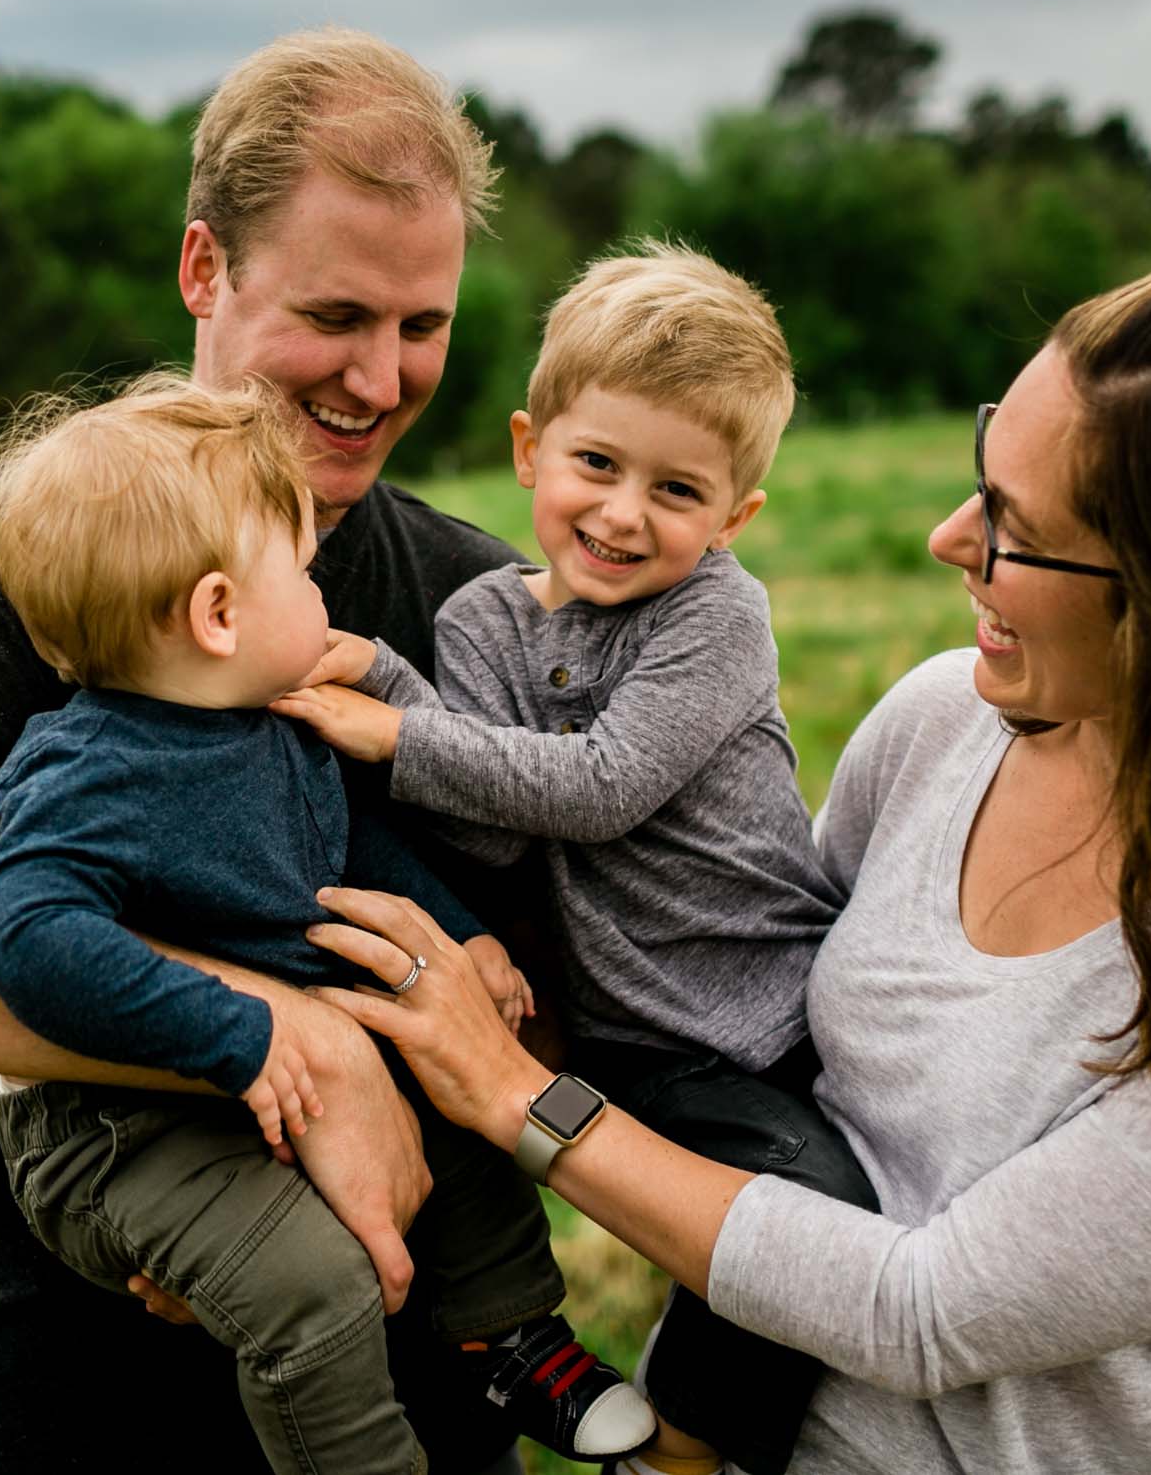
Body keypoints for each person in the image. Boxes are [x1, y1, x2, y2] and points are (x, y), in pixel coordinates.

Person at [288, 270, 1151, 1473]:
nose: (950, 539)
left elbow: (924, 1312)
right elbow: (740, 966)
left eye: (1019, 530)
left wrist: (519, 1096)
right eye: (977, 481)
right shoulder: (949, 719)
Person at [0, 26, 549, 1472]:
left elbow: (557, 984)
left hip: (411, 1381)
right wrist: (294, 1049)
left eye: (423, 325)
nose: (380, 379)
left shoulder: (480, 597)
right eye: (335, 313)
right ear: (205, 269)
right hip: (80, 1391)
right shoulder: (21, 536)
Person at [0, 375, 652, 1472]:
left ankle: (510, 1331)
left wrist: (457, 937)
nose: (320, 587)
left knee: (457, 1089)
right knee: (309, 1280)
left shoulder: (273, 725)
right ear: (217, 613)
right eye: (299, 567)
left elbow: (345, 856)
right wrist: (247, 1032)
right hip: (120, 1126)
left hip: (249, 1090)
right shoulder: (86, 768)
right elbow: (28, 935)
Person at [275, 243, 874, 1475]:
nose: (620, 512)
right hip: (609, 1029)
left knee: (805, 1221)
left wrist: (394, 718)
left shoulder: (715, 614)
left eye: (676, 489)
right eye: (595, 463)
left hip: (752, 1023)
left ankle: (689, 1447)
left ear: (734, 517)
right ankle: (480, 1341)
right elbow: (494, 823)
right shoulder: (480, 616)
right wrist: (390, 675)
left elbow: (598, 790)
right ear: (527, 449)